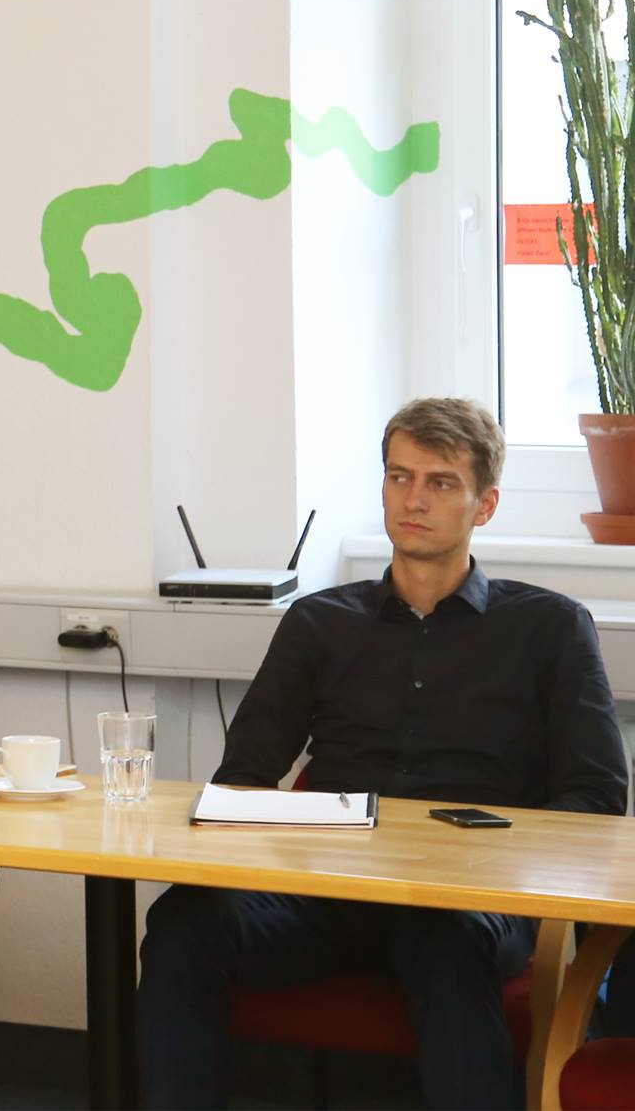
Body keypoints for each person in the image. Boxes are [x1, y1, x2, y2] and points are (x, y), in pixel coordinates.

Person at [136, 398, 629, 1110]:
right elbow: (242, 778)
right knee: (182, 925)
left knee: (443, 941)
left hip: (467, 899)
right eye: (400, 477)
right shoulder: (319, 622)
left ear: (485, 505)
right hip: (326, 893)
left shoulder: (551, 628)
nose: (413, 499)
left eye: (440, 482)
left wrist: (492, 852)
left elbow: (596, 799)